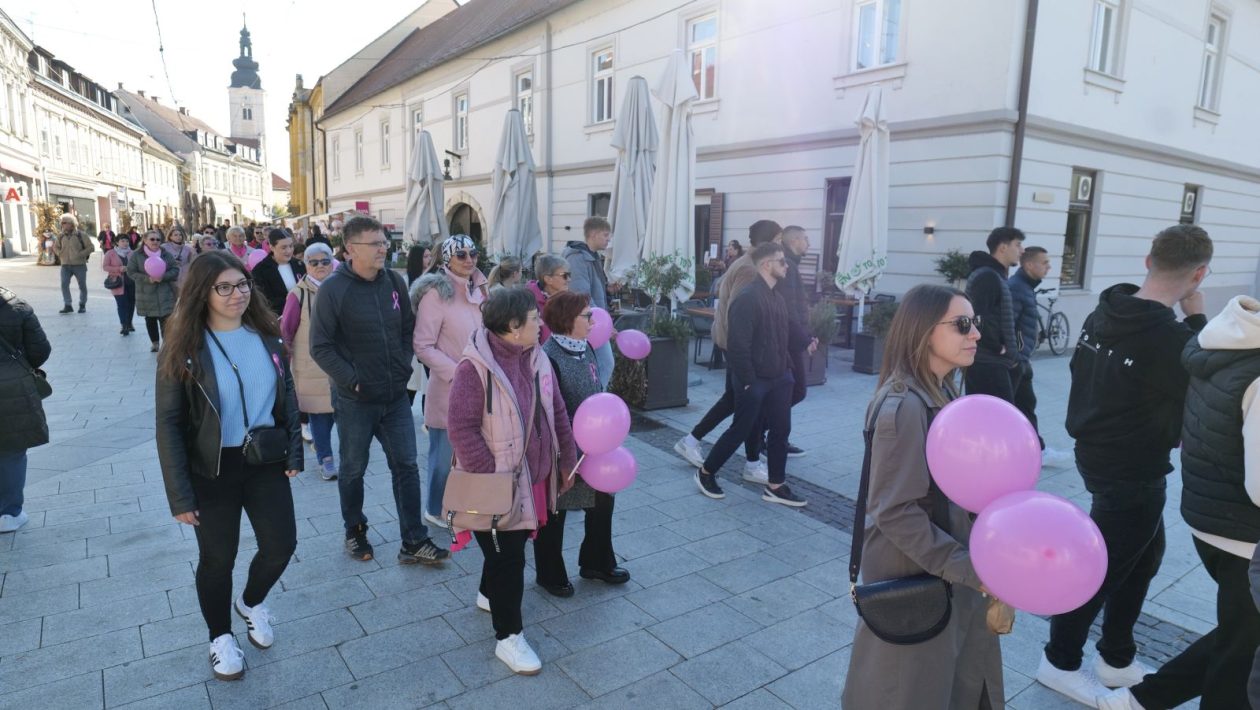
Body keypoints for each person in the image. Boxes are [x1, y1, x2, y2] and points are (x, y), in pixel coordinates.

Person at [1039, 224, 1213, 706]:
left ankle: (1115, 656)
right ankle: (1059, 659)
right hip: (1131, 468)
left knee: (1145, 555)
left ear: (1147, 260)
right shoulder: (1171, 338)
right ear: (1198, 275)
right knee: (1103, 568)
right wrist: (1198, 322)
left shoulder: (1108, 308)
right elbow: (1209, 385)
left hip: (1097, 452)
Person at [842, 284, 1005, 709]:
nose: (976, 334)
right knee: (909, 692)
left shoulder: (943, 391)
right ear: (922, 332)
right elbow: (895, 513)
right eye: (962, 324)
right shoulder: (905, 407)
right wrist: (972, 569)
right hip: (918, 581)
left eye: (976, 324)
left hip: (944, 576)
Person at [1100, 295, 1260, 710]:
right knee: (1240, 650)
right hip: (1244, 534)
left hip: (1213, 517)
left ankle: (1140, 700)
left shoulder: (1228, 340)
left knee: (1240, 634)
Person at [154, 251, 302, 682]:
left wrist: (294, 451)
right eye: (224, 287)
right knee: (218, 557)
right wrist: (179, 494)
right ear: (203, 292)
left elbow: (286, 397)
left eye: (242, 285)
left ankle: (252, 602)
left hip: (263, 460)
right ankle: (220, 637)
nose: (237, 294)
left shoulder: (267, 336)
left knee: (281, 545)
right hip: (211, 467)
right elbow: (168, 424)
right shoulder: (184, 348)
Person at [447, 287, 577, 675]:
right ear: (512, 327)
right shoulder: (475, 368)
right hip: (499, 482)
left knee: (509, 547)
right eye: (535, 318)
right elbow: (461, 428)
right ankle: (509, 637)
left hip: (533, 477)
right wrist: (493, 478)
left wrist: (566, 460)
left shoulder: (536, 357)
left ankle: (489, 593)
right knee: (510, 559)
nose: (542, 323)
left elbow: (557, 411)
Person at [310, 216, 449, 565]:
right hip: (354, 399)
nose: (384, 248)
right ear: (351, 249)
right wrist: (352, 379)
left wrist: (403, 365)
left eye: (384, 242)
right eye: (375, 244)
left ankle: (414, 540)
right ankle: (355, 531)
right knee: (353, 468)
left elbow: (407, 329)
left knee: (405, 465)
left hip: (394, 397)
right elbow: (320, 346)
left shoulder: (393, 281)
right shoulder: (332, 290)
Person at [694, 242, 811, 507]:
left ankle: (776, 485)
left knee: (781, 430)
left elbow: (786, 330)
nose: (786, 265)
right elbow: (738, 345)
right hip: (754, 380)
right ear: (766, 265)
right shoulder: (747, 297)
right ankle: (706, 472)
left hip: (780, 376)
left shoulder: (776, 296)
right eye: (782, 261)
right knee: (741, 429)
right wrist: (747, 381)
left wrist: (804, 342)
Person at [534, 291, 629, 597]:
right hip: (564, 447)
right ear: (566, 320)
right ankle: (549, 574)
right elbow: (547, 410)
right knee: (557, 511)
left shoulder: (585, 347)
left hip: (595, 446)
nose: (593, 321)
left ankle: (597, 562)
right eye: (586, 316)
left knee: (603, 503)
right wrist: (565, 455)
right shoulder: (548, 357)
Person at [675, 219, 781, 483]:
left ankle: (694, 440)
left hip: (736, 345)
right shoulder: (749, 269)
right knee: (746, 405)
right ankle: (748, 463)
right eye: (778, 241)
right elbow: (741, 313)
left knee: (735, 402)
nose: (781, 248)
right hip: (740, 348)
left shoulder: (746, 263)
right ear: (768, 242)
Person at [413, 234, 488, 530]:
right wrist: (459, 373)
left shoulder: (481, 288)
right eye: (461, 254)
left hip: (484, 387)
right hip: (450, 389)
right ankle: (435, 508)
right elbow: (423, 345)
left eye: (473, 252)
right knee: (443, 457)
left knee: (473, 452)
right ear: (447, 258)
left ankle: (465, 503)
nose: (469, 259)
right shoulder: (436, 293)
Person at [1007, 246, 1071, 466]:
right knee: (1021, 407)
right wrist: (1017, 356)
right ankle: (1034, 452)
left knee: (1025, 406)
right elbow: (1009, 325)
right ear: (1029, 265)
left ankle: (1034, 450)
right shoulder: (1017, 288)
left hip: (1021, 359)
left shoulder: (1024, 287)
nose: (1048, 266)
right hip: (1017, 361)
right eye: (1044, 262)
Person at [281, 243, 338, 481]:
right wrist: (285, 364)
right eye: (313, 262)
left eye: (325, 261)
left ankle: (333, 452)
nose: (320, 266)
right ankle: (325, 458)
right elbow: (286, 331)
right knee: (320, 415)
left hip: (341, 363)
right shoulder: (298, 293)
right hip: (311, 366)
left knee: (342, 414)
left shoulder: (341, 287)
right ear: (306, 265)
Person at [0, 286, 51, 534]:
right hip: (12, 389)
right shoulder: (17, 307)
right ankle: (9, 514)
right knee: (11, 452)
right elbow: (40, 351)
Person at [964, 227, 1024, 401]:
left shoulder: (996, 275)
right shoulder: (987, 277)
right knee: (997, 420)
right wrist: (999, 348)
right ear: (1003, 247)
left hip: (993, 361)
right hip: (987, 363)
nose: (1022, 250)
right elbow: (978, 318)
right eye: (1018, 244)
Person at [564, 217, 615, 387]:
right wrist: (602, 323)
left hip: (592, 321)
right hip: (588, 322)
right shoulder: (578, 258)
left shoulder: (591, 256)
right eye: (605, 235)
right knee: (605, 363)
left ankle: (595, 400)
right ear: (593, 234)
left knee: (599, 366)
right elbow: (581, 294)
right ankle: (596, 402)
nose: (609, 239)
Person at [779, 226, 817, 452]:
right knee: (796, 390)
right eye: (805, 239)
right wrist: (805, 338)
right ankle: (764, 433)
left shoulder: (790, 264)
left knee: (790, 392)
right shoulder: (788, 265)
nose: (809, 243)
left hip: (792, 338)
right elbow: (790, 307)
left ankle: (773, 436)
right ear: (794, 240)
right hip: (789, 340)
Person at [128, 229, 180, 353]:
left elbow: (175, 270)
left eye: (158, 239)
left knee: (166, 321)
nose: (155, 241)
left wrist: (164, 277)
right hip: (146, 293)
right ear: (145, 240)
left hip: (165, 293)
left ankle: (166, 344)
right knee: (150, 320)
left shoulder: (166, 254)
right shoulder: (136, 255)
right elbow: (131, 272)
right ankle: (155, 343)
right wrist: (147, 279)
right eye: (152, 239)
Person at [253, 229, 306, 317]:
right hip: (278, 318)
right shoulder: (260, 271)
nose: (289, 251)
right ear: (271, 247)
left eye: (291, 246)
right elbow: (263, 300)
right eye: (284, 247)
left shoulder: (299, 264)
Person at [54, 213, 95, 314]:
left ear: (71, 224)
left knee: (82, 286)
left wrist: (81, 254)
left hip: (79, 265)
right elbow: (55, 247)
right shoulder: (60, 236)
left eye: (64, 223)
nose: (62, 225)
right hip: (65, 265)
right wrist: (60, 253)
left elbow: (91, 247)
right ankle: (68, 305)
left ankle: (82, 304)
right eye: (62, 223)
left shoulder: (81, 235)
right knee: (64, 284)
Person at [526, 254, 569, 344]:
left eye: (569, 275)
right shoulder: (528, 303)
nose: (569, 279)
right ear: (548, 279)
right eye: (564, 275)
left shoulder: (568, 300)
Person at [102, 234, 136, 336]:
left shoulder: (132, 253)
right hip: (118, 283)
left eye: (127, 241)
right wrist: (118, 269)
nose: (125, 243)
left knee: (131, 304)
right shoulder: (110, 253)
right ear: (117, 242)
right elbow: (105, 267)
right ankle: (124, 325)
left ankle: (129, 322)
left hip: (132, 282)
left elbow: (137, 265)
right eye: (122, 241)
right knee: (121, 304)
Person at [161, 226, 195, 291]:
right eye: (175, 235)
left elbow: (191, 262)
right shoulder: (164, 247)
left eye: (180, 235)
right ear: (170, 237)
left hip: (183, 277)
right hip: (170, 277)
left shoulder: (187, 248)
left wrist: (193, 253)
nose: (178, 237)